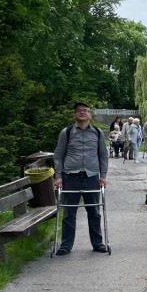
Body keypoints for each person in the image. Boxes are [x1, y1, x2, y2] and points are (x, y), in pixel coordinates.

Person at [52, 102, 109, 256]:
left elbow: (103, 155)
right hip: (70, 176)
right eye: (79, 111)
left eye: (85, 110)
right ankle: (66, 245)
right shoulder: (67, 132)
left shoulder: (97, 132)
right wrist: (58, 176)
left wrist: (103, 175)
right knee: (69, 213)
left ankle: (98, 243)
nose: (82, 113)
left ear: (90, 114)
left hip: (91, 176)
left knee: (94, 211)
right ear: (74, 115)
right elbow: (58, 155)